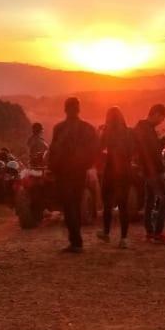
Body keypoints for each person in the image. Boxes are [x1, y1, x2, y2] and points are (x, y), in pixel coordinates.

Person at [49, 97, 99, 253]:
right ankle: (77, 241)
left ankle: (75, 241)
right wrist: (86, 165)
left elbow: (53, 151)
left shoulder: (59, 128)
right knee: (75, 205)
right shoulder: (88, 128)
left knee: (69, 206)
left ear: (65, 109)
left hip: (63, 173)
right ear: (79, 109)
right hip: (79, 172)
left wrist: (53, 169)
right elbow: (95, 150)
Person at [96, 106, 135, 249]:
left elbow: (99, 148)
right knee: (123, 205)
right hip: (126, 170)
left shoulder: (107, 132)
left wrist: (101, 133)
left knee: (107, 204)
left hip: (110, 170)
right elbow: (133, 151)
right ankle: (124, 239)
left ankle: (106, 233)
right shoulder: (129, 132)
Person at [134, 104, 165, 244]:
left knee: (150, 200)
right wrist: (162, 143)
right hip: (155, 170)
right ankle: (158, 232)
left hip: (146, 170)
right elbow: (152, 151)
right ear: (156, 114)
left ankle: (150, 232)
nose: (161, 121)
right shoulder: (146, 129)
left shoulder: (141, 128)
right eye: (162, 118)